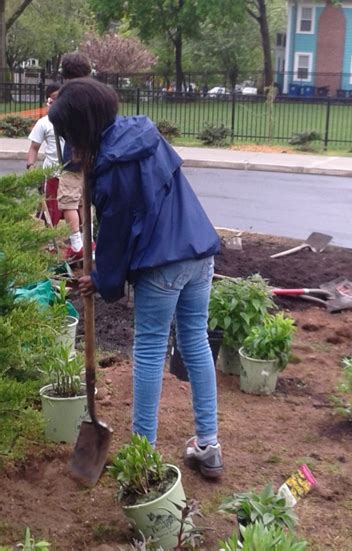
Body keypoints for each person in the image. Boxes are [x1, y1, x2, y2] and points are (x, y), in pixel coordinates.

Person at [48, 78, 223, 479]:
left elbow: (117, 234)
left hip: (162, 263)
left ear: (82, 127)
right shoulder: (142, 134)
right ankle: (208, 445)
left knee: (148, 350)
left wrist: (103, 280)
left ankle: (143, 453)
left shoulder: (111, 168)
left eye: (69, 133)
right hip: (199, 250)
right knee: (194, 341)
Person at [56, 52, 92, 261]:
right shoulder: (95, 93)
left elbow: (61, 124)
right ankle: (89, 241)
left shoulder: (68, 94)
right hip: (94, 156)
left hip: (74, 158)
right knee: (86, 199)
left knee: (69, 200)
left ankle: (78, 243)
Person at [26, 83, 63, 226]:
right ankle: (50, 241)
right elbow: (34, 147)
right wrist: (31, 166)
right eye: (55, 97)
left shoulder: (74, 120)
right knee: (51, 208)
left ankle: (79, 241)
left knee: (75, 207)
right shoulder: (44, 123)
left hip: (71, 172)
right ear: (48, 100)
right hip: (52, 172)